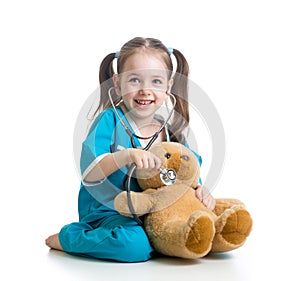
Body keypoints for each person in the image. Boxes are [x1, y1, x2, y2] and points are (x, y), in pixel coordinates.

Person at [45, 37, 216, 262]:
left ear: (169, 86)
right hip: (110, 213)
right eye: (134, 80)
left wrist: (201, 191)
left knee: (208, 230)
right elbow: (90, 172)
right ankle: (71, 238)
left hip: (155, 214)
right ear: (117, 84)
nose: (145, 90)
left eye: (156, 81)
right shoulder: (109, 121)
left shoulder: (172, 131)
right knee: (134, 246)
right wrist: (124, 156)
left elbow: (186, 173)